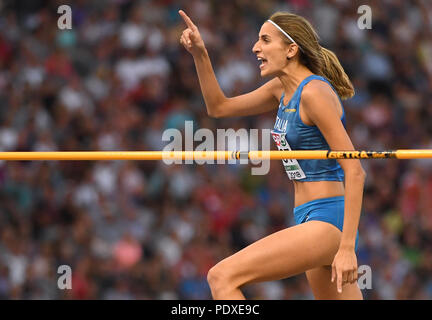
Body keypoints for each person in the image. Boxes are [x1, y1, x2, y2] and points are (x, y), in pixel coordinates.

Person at [178, 9, 366, 300]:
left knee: (221, 276)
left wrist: (347, 247)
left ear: (291, 49)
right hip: (307, 218)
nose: (256, 48)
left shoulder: (313, 93)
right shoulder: (281, 89)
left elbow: (355, 170)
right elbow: (219, 107)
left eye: (265, 40)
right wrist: (200, 54)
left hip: (327, 221)